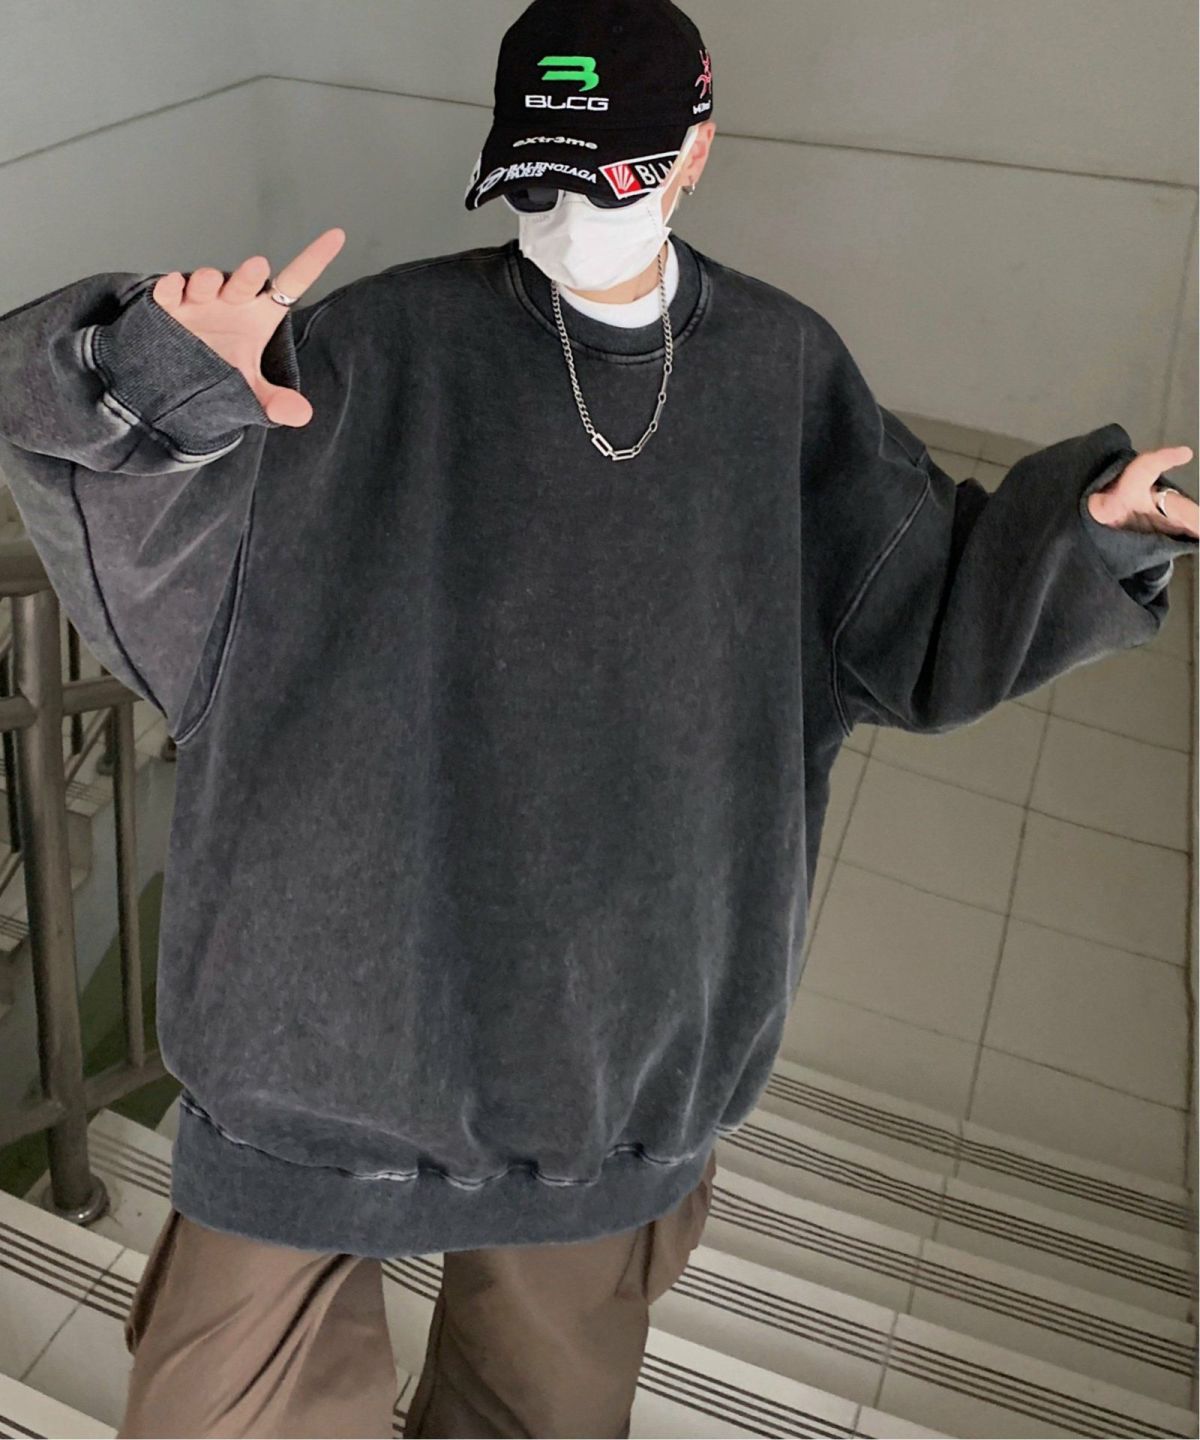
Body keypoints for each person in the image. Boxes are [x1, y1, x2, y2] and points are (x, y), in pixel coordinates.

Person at [0, 0, 1195, 1435]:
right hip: (320, 1043)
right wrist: (151, 391)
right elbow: (160, 609)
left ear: (698, 151)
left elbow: (916, 616)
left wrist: (1080, 540)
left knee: (540, 1404)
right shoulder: (367, 351)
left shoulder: (778, 372)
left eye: (610, 177)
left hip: (610, 1045)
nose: (571, 218)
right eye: (539, 181)